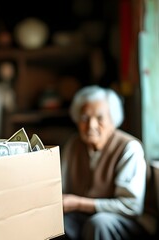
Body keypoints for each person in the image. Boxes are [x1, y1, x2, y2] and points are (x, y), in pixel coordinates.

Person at [60, 85, 157, 239]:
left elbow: (130, 207)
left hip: (129, 220)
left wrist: (79, 203)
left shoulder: (129, 148)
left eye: (100, 118)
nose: (91, 125)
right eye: (85, 118)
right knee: (58, 223)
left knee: (99, 223)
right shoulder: (73, 145)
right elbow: (62, 189)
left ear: (113, 120)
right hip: (85, 216)